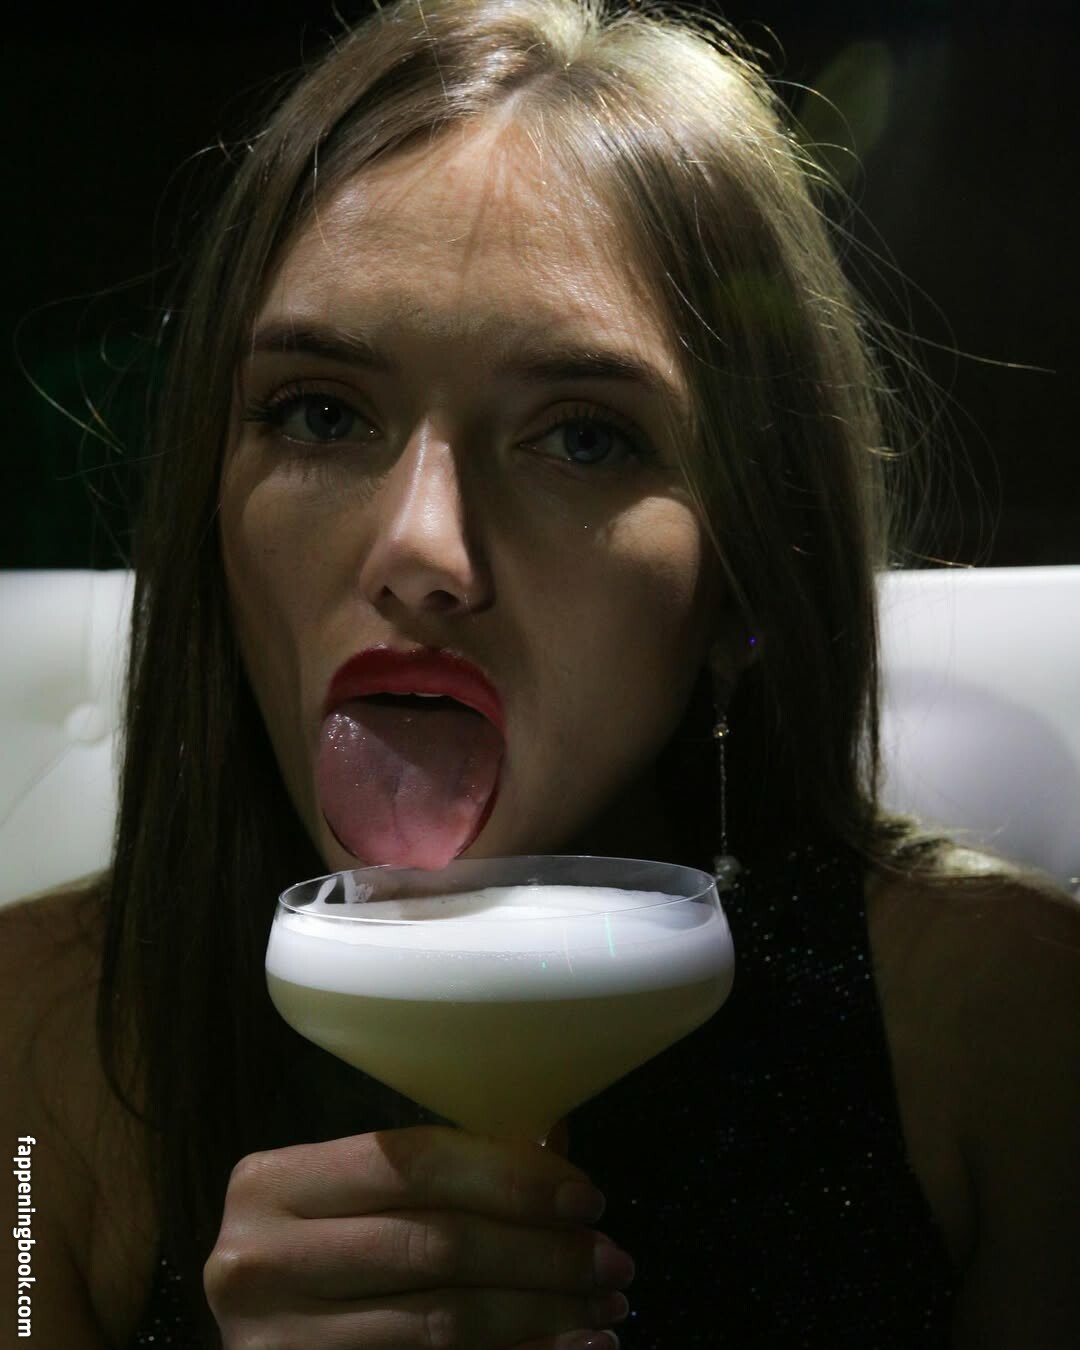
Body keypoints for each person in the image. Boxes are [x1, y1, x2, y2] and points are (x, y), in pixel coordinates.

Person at [3, 1, 1078, 1346]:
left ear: (742, 576)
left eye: (582, 438)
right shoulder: (32, 1045)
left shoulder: (1007, 1028)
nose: (420, 549)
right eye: (320, 412)